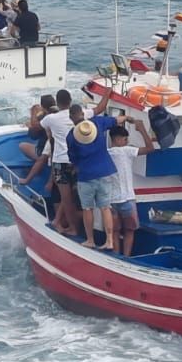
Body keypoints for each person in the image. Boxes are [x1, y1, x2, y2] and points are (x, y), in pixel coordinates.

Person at [66, 93, 121, 249]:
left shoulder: (71, 136)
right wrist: (127, 119)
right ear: (83, 114)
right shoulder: (97, 122)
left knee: (87, 208)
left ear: (71, 118)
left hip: (86, 175)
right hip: (105, 172)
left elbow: (73, 159)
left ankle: (90, 240)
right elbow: (116, 120)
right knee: (105, 207)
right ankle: (109, 241)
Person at [107, 117, 155, 256]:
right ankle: (126, 257)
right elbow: (150, 148)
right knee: (130, 230)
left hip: (111, 200)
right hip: (127, 198)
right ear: (118, 139)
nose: (127, 142)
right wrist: (142, 130)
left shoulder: (107, 153)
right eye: (125, 139)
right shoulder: (126, 151)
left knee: (114, 231)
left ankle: (116, 256)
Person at [35, 90, 80, 236]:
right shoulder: (80, 113)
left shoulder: (51, 119)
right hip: (75, 162)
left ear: (57, 102)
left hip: (60, 162)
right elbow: (97, 109)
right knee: (71, 197)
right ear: (71, 101)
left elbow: (38, 125)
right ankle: (69, 226)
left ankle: (67, 225)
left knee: (65, 198)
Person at [19, 93, 56, 161]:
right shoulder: (60, 115)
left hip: (46, 153)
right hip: (57, 150)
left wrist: (33, 114)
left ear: (42, 107)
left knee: (22, 145)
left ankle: (39, 160)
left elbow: (33, 136)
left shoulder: (43, 119)